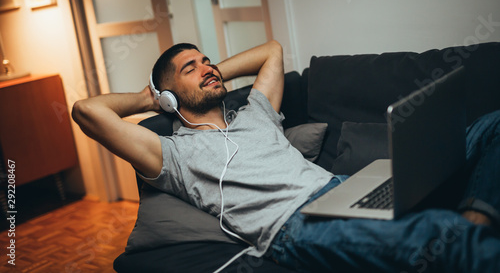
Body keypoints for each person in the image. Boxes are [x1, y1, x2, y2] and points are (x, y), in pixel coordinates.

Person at [72, 41, 500, 272]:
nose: (208, 68)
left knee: (494, 123)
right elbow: (86, 111)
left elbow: (271, 50)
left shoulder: (254, 112)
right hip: (298, 227)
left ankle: (477, 215)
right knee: (446, 237)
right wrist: (151, 98)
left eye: (207, 61)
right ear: (167, 96)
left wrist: (207, 70)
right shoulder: (171, 153)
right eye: (191, 68)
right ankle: (467, 231)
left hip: (347, 191)